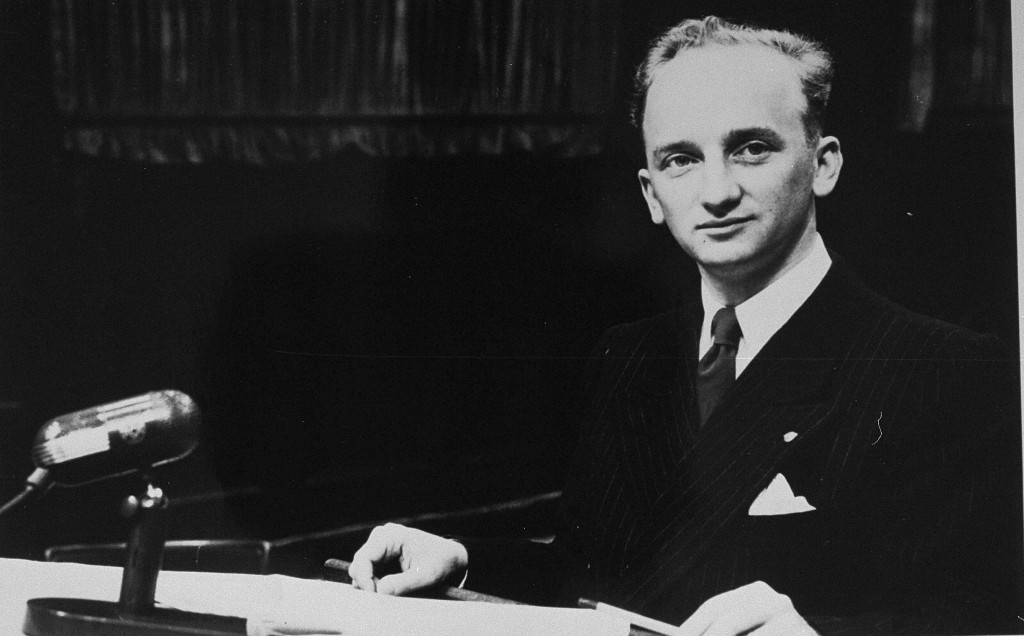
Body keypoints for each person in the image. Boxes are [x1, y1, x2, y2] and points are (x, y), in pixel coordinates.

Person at [347, 16, 1021, 635]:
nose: (717, 191)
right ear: (650, 195)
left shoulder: (941, 369)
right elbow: (588, 576)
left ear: (823, 165)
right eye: (681, 159)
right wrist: (461, 562)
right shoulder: (629, 356)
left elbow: (982, 617)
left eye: (751, 148)